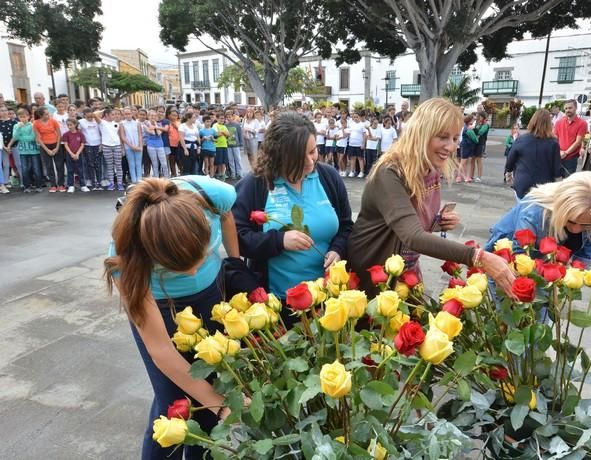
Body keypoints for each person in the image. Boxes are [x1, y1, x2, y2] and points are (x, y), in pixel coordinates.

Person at [105, 176, 242, 460]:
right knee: (175, 406)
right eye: (177, 268)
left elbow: (227, 217)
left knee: (209, 387)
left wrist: (235, 261)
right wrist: (220, 406)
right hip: (163, 305)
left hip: (212, 293)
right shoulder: (125, 257)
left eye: (202, 256)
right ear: (150, 255)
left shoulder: (215, 195)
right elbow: (162, 352)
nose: (193, 272)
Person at [348, 98, 516, 295]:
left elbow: (413, 220)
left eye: (455, 138)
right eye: (443, 137)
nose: (451, 147)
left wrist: (438, 222)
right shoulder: (390, 172)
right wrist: (479, 257)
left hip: (405, 267)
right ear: (421, 134)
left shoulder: (430, 167)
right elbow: (412, 235)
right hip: (373, 267)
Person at [232, 112, 353, 302]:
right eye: (299, 158)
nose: (310, 161)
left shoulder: (328, 177)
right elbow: (235, 237)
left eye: (313, 151)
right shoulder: (257, 184)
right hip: (278, 301)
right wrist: (279, 241)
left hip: (328, 297)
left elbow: (347, 226)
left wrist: (338, 249)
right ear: (278, 156)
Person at [486, 171, 591, 267]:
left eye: (586, 225)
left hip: (543, 269)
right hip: (505, 261)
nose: (576, 229)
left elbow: (583, 257)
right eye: (570, 221)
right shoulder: (534, 210)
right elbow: (519, 262)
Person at [505, 109, 561, 199]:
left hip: (523, 184)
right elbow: (557, 169)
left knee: (522, 209)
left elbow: (510, 159)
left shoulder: (521, 139)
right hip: (544, 187)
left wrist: (508, 173)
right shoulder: (553, 143)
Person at [9, 108, 42, 192]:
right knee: (24, 169)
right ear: (18, 117)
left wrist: (21, 137)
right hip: (22, 151)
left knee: (36, 168)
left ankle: (38, 185)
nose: (23, 118)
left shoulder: (32, 125)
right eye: (21, 117)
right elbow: (15, 137)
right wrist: (19, 129)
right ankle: (26, 186)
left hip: (34, 151)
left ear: (28, 116)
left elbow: (32, 137)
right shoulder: (16, 126)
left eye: (24, 116)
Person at [553, 99, 588, 176]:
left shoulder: (582, 123)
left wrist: (566, 152)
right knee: (556, 181)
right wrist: (559, 151)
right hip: (558, 156)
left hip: (571, 158)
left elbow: (578, 141)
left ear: (576, 108)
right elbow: (555, 138)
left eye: (570, 108)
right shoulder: (559, 122)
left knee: (568, 182)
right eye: (566, 108)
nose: (567, 110)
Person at [33, 107, 64, 192]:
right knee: (49, 166)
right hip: (44, 146)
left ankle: (61, 184)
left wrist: (57, 147)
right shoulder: (36, 123)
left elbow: (59, 134)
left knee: (59, 165)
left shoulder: (53, 121)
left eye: (48, 113)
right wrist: (47, 150)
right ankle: (53, 185)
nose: (48, 115)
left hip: (55, 144)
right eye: (46, 114)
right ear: (41, 115)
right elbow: (38, 138)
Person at [95, 108, 125, 191]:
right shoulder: (102, 123)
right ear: (107, 115)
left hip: (117, 146)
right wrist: (103, 110)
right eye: (112, 114)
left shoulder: (117, 123)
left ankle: (119, 183)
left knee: (118, 165)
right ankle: (111, 183)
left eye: (115, 114)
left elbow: (120, 136)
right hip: (106, 146)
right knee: (110, 166)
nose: (114, 116)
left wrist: (122, 148)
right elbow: (94, 114)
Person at [61, 118, 89, 193]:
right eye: (68, 125)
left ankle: (83, 185)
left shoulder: (80, 134)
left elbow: (82, 145)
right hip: (69, 155)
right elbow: (66, 145)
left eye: (71, 125)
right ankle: (71, 185)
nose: (69, 126)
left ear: (75, 124)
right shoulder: (66, 134)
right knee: (70, 170)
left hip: (79, 154)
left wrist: (77, 154)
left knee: (80, 170)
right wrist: (72, 154)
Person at [78, 108, 103, 190]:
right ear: (84, 115)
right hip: (88, 145)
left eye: (91, 116)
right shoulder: (81, 122)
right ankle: (92, 181)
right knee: (90, 164)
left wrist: (95, 115)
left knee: (98, 164)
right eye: (88, 116)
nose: (90, 118)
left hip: (97, 144)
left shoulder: (97, 120)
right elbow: (79, 132)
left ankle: (99, 181)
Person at [120, 108, 144, 184]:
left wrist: (140, 146)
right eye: (126, 114)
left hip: (138, 146)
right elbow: (123, 137)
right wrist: (132, 146)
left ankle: (139, 180)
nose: (128, 115)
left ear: (132, 114)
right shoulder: (122, 124)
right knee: (131, 164)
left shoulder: (137, 123)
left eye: (129, 113)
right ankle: (134, 180)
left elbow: (140, 135)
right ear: (124, 115)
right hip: (128, 147)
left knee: (138, 163)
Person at [472, 112, 490, 181]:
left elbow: (480, 132)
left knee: (479, 160)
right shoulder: (478, 124)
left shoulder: (486, 125)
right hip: (475, 143)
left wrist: (473, 129)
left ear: (483, 117)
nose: (478, 118)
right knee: (473, 159)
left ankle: (479, 177)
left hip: (481, 144)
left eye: (479, 117)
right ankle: (472, 175)